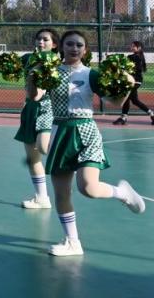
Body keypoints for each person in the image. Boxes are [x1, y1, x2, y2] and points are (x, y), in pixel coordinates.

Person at [34, 30, 146, 256]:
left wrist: (126, 86)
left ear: (85, 50)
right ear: (61, 47)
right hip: (60, 131)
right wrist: (32, 75)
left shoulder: (91, 75)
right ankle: (72, 242)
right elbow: (34, 96)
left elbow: (115, 102)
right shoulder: (51, 72)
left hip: (86, 131)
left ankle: (122, 193)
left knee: (88, 188)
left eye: (79, 45)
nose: (74, 48)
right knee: (61, 193)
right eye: (70, 44)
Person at [13, 29, 59, 209]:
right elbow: (13, 70)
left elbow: (40, 94)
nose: (41, 42)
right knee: (33, 158)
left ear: (54, 44)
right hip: (30, 108)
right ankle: (42, 198)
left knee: (43, 147)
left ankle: (70, 158)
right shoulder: (27, 58)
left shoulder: (57, 62)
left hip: (49, 108)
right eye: (38, 38)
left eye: (45, 39)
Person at [114, 40, 153, 126]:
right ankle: (151, 114)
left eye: (133, 46)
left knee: (128, 98)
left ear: (139, 48)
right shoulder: (139, 57)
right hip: (135, 81)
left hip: (134, 81)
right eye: (131, 46)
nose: (131, 47)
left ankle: (123, 118)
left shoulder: (134, 57)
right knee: (134, 100)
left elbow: (127, 66)